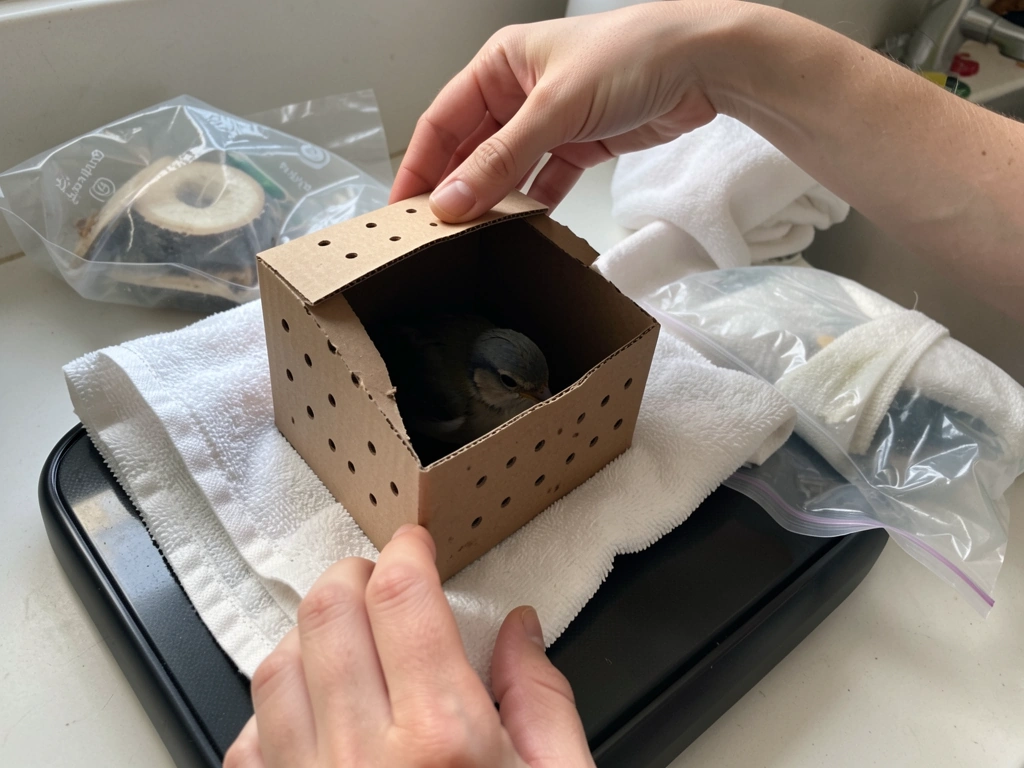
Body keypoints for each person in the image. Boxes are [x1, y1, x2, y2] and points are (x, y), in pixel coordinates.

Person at [225, 2, 1024, 765]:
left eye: (533, 387)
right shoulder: (444, 401)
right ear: (480, 380)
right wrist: (718, 58)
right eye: (512, 389)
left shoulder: (513, 367)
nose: (535, 405)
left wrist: (720, 58)